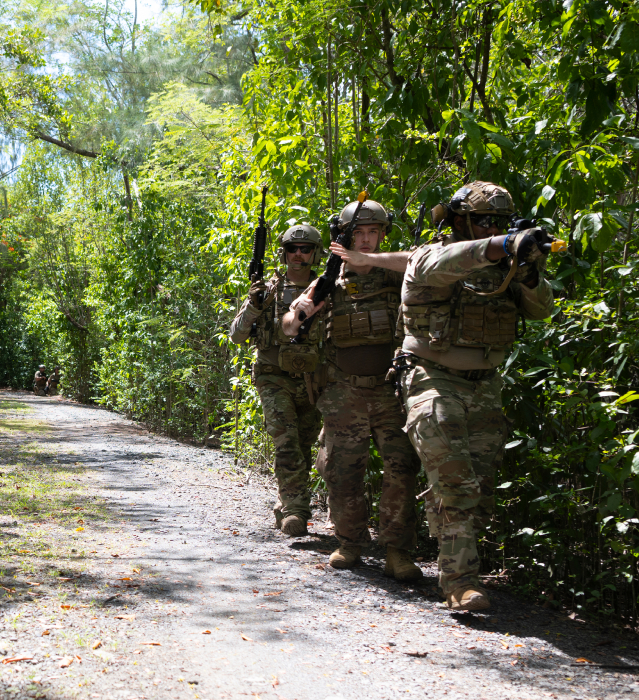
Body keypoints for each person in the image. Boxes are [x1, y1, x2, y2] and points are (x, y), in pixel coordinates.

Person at [396, 181, 556, 610]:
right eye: (484, 221)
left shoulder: (504, 264)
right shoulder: (430, 255)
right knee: (456, 483)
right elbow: (448, 263)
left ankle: (455, 559)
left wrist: (527, 268)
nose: (492, 228)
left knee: (479, 488)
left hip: (485, 385)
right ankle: (459, 581)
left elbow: (543, 310)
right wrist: (501, 244)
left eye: (501, 223)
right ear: (459, 221)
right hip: (432, 379)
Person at [280, 198, 421, 582]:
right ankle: (350, 542)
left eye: (373, 232)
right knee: (343, 470)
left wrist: (370, 262)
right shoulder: (329, 280)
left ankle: (397, 550)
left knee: (401, 468)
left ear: (382, 234)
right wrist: (302, 314)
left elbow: (422, 261)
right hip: (344, 391)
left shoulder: (396, 273)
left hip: (390, 390)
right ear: (345, 236)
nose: (367, 239)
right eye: (359, 233)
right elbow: (290, 326)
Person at [228, 223, 325, 534]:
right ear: (283, 253)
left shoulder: (326, 289)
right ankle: (298, 511)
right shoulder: (267, 290)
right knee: (286, 444)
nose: (299, 255)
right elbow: (237, 335)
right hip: (274, 378)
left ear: (315, 253)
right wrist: (254, 307)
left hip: (312, 380)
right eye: (293, 249)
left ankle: (286, 502)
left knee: (303, 444)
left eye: (305, 249)